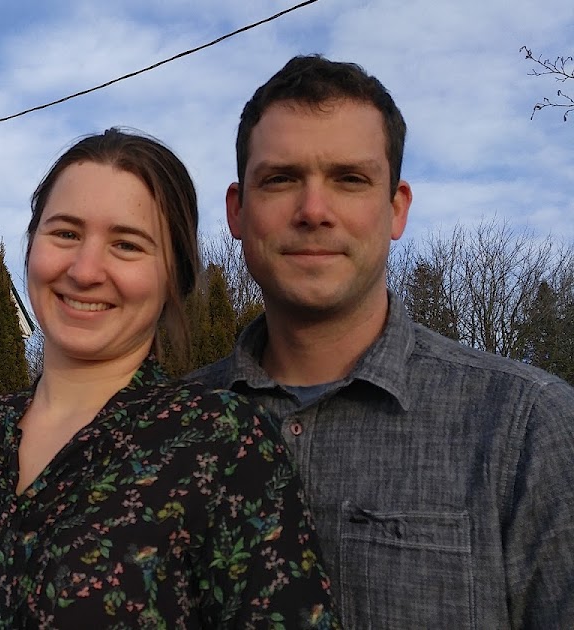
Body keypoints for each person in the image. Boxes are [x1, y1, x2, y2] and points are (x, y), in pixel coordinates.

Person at [0, 128, 339, 628]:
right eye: (66, 233)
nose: (86, 269)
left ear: (172, 277)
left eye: (127, 244)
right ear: (32, 249)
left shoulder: (221, 446)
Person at [191, 54, 574, 628]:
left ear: (396, 209)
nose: (314, 211)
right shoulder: (171, 427)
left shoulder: (527, 426)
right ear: (237, 211)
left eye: (349, 179)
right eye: (281, 178)